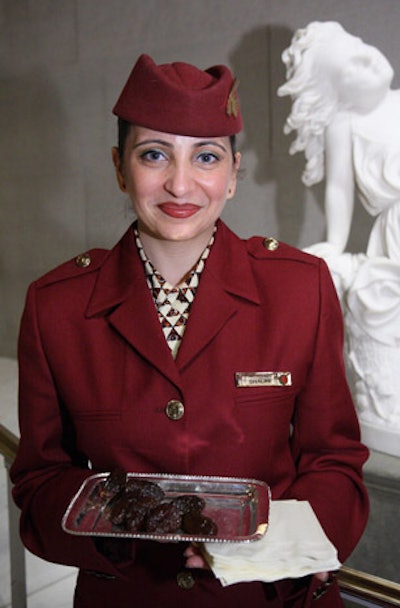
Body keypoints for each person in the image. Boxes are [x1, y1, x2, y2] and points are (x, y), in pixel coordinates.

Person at [10, 53, 368, 608]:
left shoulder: (301, 289)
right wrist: (116, 524)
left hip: (268, 596)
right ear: (119, 167)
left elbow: (334, 462)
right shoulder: (56, 307)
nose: (181, 184)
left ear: (232, 175)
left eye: (206, 157)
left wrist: (287, 546)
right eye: (155, 154)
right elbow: (39, 479)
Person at [278, 21, 400, 440]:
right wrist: (335, 241)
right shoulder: (343, 124)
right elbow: (338, 189)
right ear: (338, 93)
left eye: (362, 43)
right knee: (381, 309)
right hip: (395, 235)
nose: (369, 56)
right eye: (351, 66)